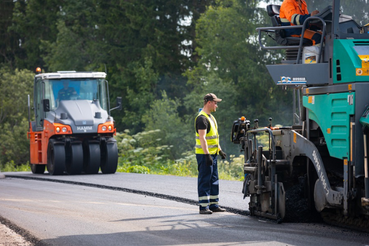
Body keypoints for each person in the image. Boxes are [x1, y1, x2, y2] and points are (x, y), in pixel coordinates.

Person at [195, 93, 227, 214]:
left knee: (214, 179)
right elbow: (202, 138)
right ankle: (203, 207)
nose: (216, 105)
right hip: (204, 155)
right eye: (215, 103)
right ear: (209, 102)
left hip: (212, 154)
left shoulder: (211, 117)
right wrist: (207, 154)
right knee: (205, 179)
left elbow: (213, 137)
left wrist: (219, 150)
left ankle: (214, 205)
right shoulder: (201, 118)